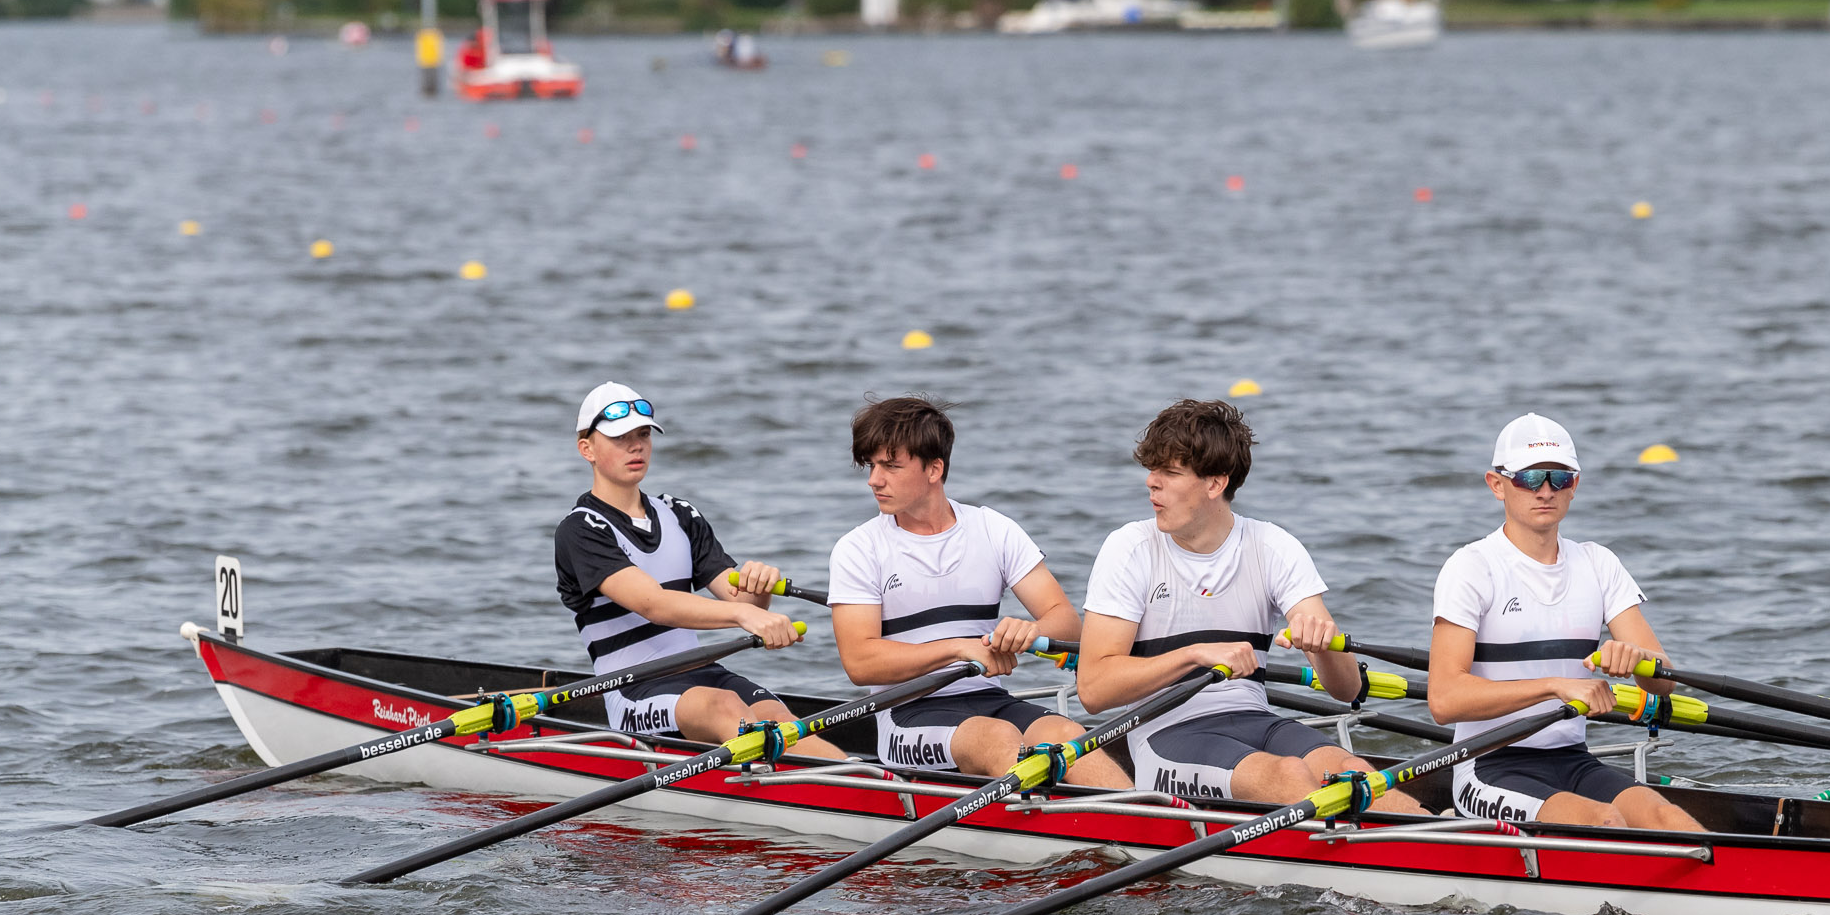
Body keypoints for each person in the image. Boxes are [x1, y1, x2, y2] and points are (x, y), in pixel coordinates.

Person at [1077, 399, 1422, 812]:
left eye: (1169, 473)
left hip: (1257, 722)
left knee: (1353, 771)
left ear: (1214, 484)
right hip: (1167, 733)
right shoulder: (1130, 549)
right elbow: (1094, 690)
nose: (1151, 483)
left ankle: (1456, 858)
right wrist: (1192, 656)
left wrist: (1320, 646)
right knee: (1290, 776)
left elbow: (1346, 689)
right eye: (1152, 470)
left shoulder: (1273, 546)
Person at [828, 397, 1126, 787]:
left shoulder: (992, 529)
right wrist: (957, 648)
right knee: (996, 739)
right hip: (907, 714)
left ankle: (1155, 832)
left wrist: (1030, 632)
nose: (874, 479)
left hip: (990, 700)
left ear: (934, 469)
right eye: (872, 466)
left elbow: (1066, 623)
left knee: (1068, 736)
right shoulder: (859, 549)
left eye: (890, 466)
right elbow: (860, 663)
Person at [1426, 413, 1703, 833]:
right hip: (1486, 765)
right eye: (1529, 479)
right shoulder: (1472, 567)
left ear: (1575, 486)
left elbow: (1663, 683)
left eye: (1560, 478)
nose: (1546, 491)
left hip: (1573, 758)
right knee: (1605, 821)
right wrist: (1555, 686)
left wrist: (1638, 659)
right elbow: (1444, 701)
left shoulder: (1598, 563)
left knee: (1670, 819)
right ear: (1496, 484)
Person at [553, 383, 838, 755]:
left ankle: (880, 798)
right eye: (620, 437)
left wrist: (759, 587)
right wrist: (743, 614)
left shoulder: (679, 514)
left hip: (704, 675)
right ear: (586, 449)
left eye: (643, 434)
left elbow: (742, 599)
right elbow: (654, 603)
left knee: (784, 724)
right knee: (725, 709)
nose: (636, 445)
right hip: (633, 689)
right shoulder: (580, 530)